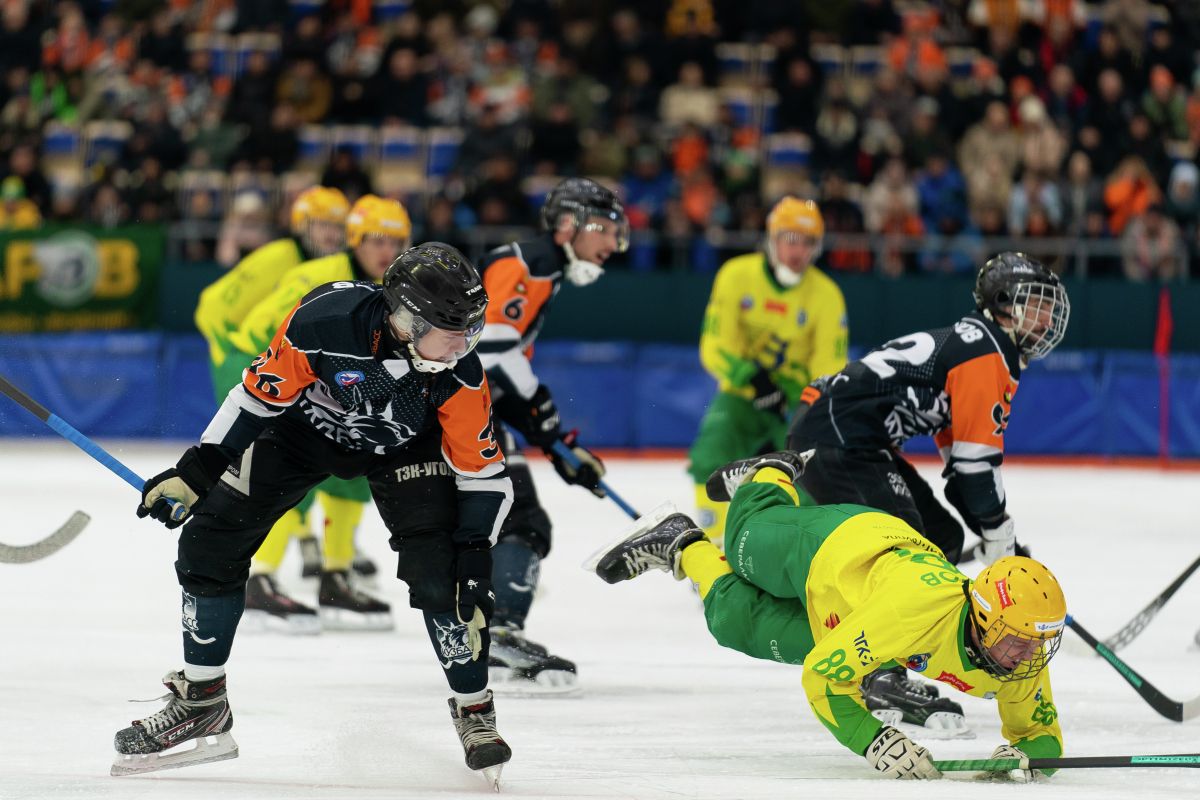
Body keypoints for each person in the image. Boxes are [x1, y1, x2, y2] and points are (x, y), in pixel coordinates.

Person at [115, 243, 515, 785]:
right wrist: (198, 471)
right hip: (304, 433)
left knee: (443, 576)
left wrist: (475, 558)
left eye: (471, 329)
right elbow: (257, 396)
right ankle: (201, 699)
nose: (465, 345)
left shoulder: (459, 373)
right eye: (452, 331)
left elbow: (483, 474)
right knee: (209, 544)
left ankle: (475, 710)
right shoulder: (323, 322)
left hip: (408, 447)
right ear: (404, 318)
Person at [589, 452, 1066, 782]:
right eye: (1017, 638)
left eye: (1037, 640)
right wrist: (873, 741)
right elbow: (822, 680)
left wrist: (1025, 758)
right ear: (981, 619)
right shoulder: (912, 611)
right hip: (838, 547)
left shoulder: (1019, 657)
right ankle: (771, 473)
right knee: (742, 538)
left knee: (732, 622)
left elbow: (1043, 736)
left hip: (852, 613)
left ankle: (680, 542)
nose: (1027, 653)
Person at [784, 251, 1070, 734]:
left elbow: (959, 472)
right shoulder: (988, 353)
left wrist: (996, 539)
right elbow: (975, 468)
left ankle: (894, 649)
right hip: (840, 439)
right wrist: (1001, 539)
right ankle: (878, 672)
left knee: (940, 538)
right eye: (1035, 303)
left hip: (852, 437)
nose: (1047, 317)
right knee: (903, 546)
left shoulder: (975, 345)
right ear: (1003, 304)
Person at [228, 194, 413, 632]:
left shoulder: (399, 284)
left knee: (353, 478)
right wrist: (288, 384)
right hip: (281, 379)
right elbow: (260, 330)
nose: (386, 251)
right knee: (293, 477)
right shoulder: (316, 277)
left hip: (338, 387)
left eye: (397, 240)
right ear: (354, 239)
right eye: (375, 240)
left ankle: (335, 575)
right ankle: (261, 578)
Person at [475, 177, 628, 694]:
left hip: (465, 410)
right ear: (568, 225)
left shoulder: (545, 267)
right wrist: (545, 422)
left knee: (493, 521)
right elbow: (491, 349)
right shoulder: (528, 263)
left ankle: (482, 630)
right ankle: (496, 630)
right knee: (520, 521)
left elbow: (492, 367)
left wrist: (553, 440)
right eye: (603, 229)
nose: (612, 244)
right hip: (456, 414)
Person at [688, 196, 848, 544]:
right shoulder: (735, 275)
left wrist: (803, 401)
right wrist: (754, 380)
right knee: (710, 455)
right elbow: (715, 345)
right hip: (741, 394)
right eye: (790, 238)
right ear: (772, 239)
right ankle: (713, 544)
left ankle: (792, 553)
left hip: (794, 403)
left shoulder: (826, 295)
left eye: (807, 242)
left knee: (809, 474)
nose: (797, 250)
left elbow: (829, 366)